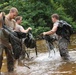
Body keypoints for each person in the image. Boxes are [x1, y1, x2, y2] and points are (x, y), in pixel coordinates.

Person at [0, 7, 18, 72]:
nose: (14, 17)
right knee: (0, 57)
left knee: (10, 59)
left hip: (9, 43)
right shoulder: (3, 18)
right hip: (1, 41)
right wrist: (1, 15)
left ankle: (11, 72)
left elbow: (14, 32)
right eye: (14, 15)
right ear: (10, 12)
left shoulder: (13, 22)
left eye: (15, 16)